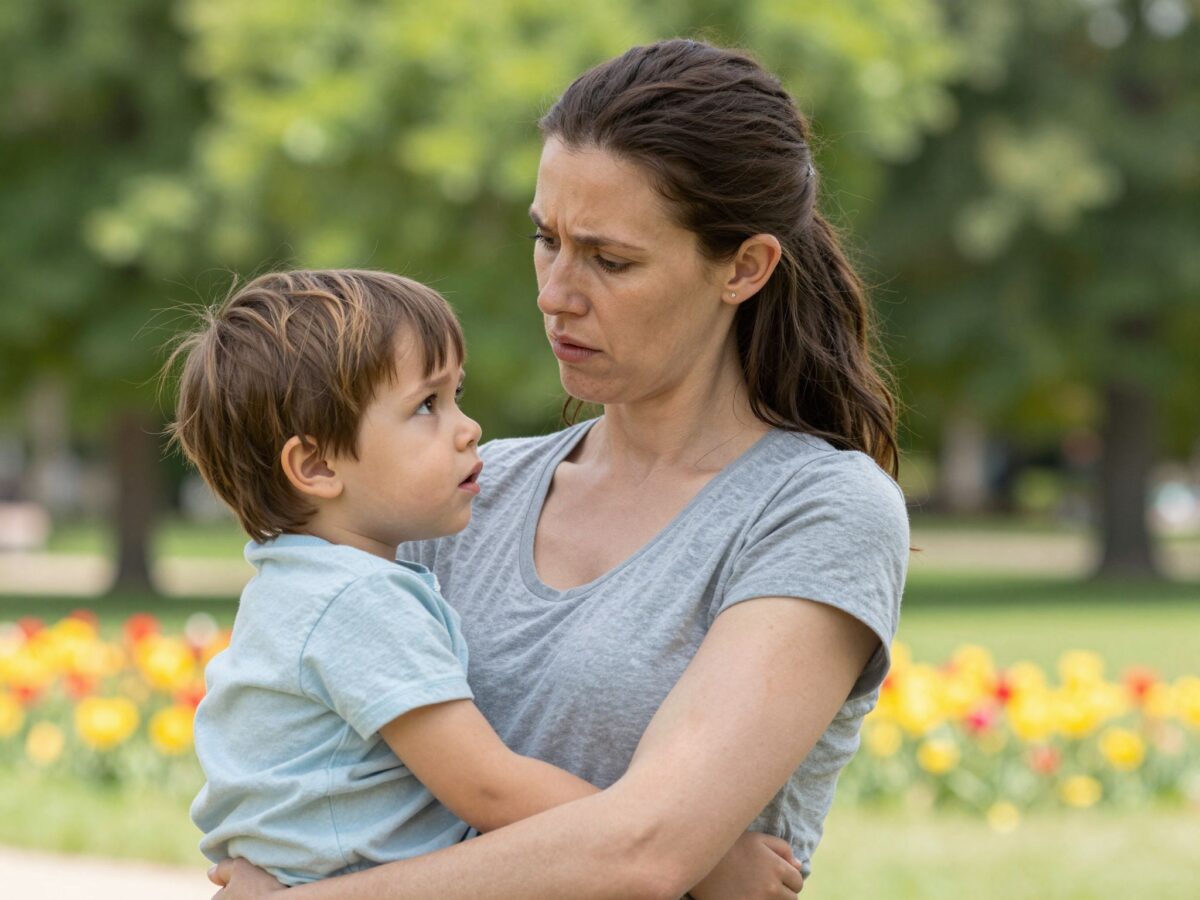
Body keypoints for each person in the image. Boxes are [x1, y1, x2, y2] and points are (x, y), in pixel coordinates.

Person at [210, 37, 908, 900]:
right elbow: (301, 766)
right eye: (547, 241)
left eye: (610, 260)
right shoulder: (462, 498)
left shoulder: (816, 511)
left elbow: (646, 854)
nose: (555, 292)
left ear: (745, 266)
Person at [168, 269, 798, 895]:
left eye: (455, 396)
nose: (468, 429)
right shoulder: (358, 602)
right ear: (315, 464)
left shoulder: (296, 583)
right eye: (426, 407)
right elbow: (489, 786)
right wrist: (700, 855)